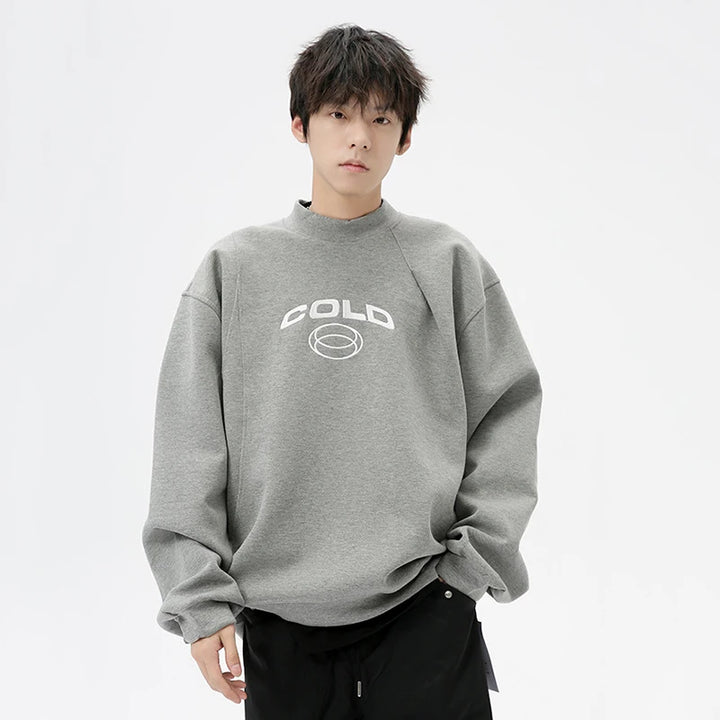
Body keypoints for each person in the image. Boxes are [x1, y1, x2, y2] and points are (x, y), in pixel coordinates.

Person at [142, 22, 542, 720]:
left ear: (404, 137)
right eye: (338, 114)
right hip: (278, 619)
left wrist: (470, 570)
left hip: (425, 607)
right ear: (300, 124)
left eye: (381, 119)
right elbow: (189, 439)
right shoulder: (235, 270)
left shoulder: (446, 263)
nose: (359, 137)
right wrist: (198, 602)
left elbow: (507, 412)